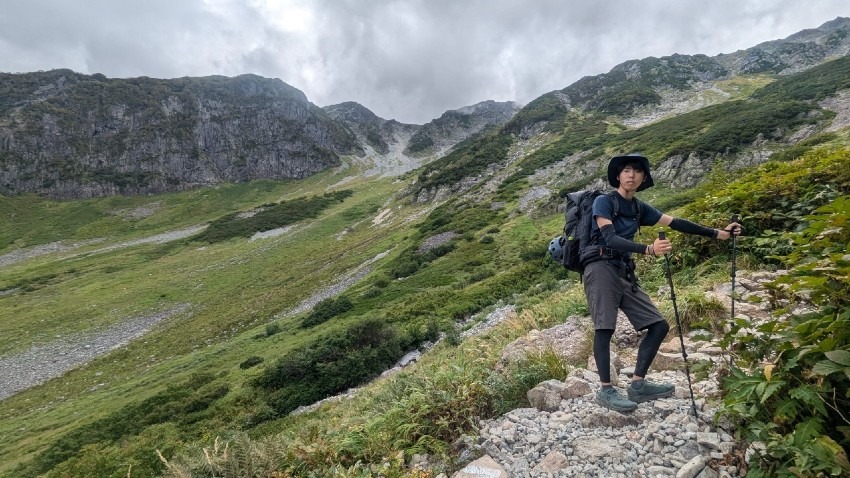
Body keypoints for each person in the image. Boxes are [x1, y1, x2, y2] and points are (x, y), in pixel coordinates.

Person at [583, 153, 742, 413]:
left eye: (636, 171)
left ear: (643, 178)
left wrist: (717, 233)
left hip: (623, 270)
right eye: (625, 170)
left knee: (658, 325)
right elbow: (609, 239)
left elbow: (676, 223)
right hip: (599, 267)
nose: (631, 174)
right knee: (604, 327)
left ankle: (638, 384)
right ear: (618, 176)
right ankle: (606, 390)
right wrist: (648, 249)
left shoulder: (638, 208)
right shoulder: (604, 201)